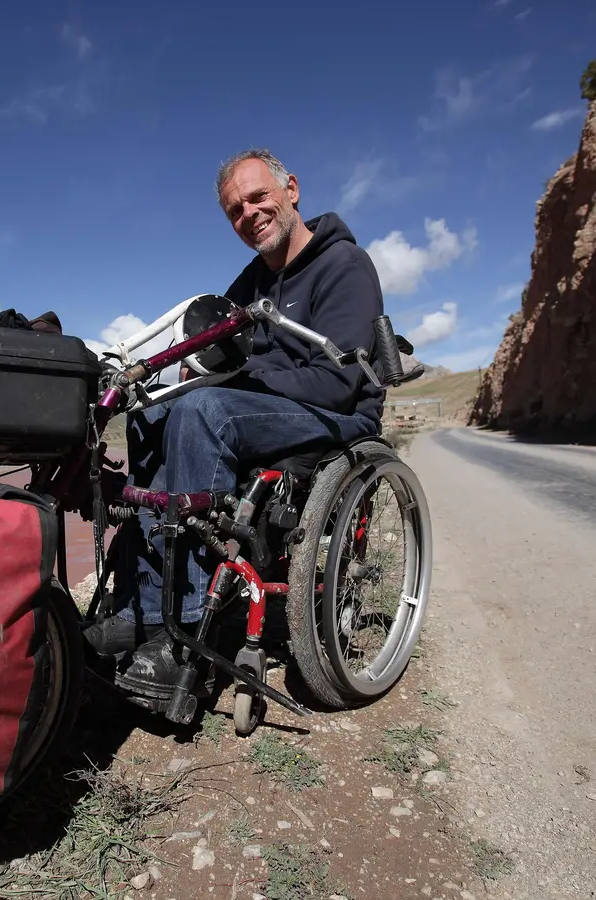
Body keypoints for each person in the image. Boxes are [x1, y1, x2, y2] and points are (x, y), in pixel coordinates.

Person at [83, 148, 387, 687]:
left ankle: (192, 629)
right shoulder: (249, 282)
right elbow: (215, 352)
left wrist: (237, 382)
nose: (249, 214)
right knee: (151, 413)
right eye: (235, 211)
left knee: (206, 410)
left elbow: (339, 382)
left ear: (290, 190)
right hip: (271, 407)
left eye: (257, 197)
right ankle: (144, 605)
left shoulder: (345, 265)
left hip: (338, 413)